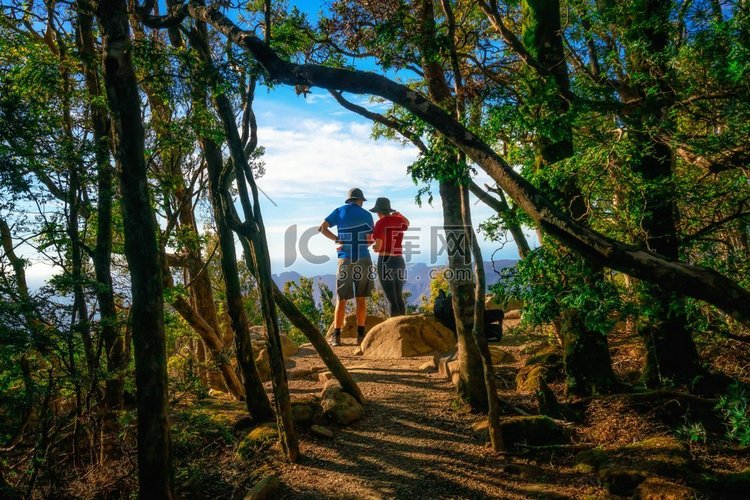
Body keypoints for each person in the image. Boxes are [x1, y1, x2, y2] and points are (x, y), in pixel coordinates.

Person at [319, 188, 375, 346]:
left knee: (341, 299)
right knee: (361, 298)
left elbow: (322, 228)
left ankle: (336, 337)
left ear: (349, 200)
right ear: (361, 200)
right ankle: (361, 337)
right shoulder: (367, 215)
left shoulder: (339, 211)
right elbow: (370, 240)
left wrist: (337, 239)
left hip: (344, 259)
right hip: (363, 258)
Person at [369, 197, 409, 317]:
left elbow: (379, 247)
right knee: (398, 296)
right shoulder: (398, 221)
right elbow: (407, 223)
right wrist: (400, 215)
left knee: (392, 299)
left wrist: (375, 248)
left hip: (386, 261)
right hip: (399, 261)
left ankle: (395, 329)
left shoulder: (380, 223)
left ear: (378, 211)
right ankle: (404, 324)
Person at [433, 289, 504, 341]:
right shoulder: (467, 300)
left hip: (454, 328)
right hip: (468, 326)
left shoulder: (444, 303)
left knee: (494, 320)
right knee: (497, 317)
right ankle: (497, 334)